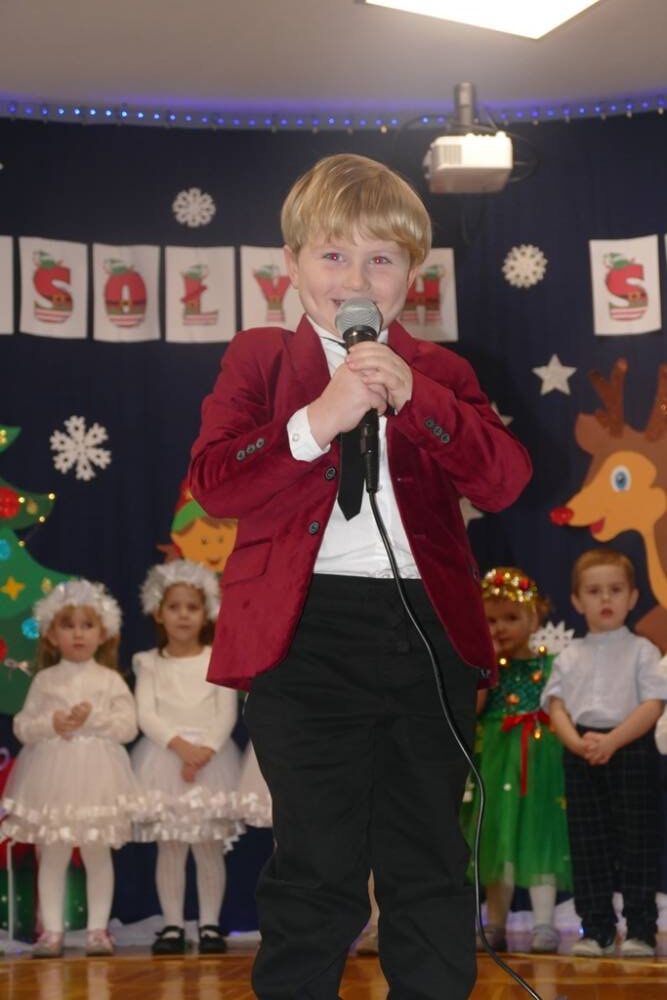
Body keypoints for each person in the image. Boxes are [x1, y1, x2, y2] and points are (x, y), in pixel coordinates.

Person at [188, 152, 532, 999]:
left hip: (425, 634)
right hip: (303, 635)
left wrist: (421, 399)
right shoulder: (260, 359)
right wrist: (317, 420)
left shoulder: (442, 371)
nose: (355, 278)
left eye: (380, 258)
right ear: (291, 265)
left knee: (427, 857)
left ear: (413, 275)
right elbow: (216, 484)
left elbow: (503, 481)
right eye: (333, 254)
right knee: (317, 862)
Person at [0, 579, 141, 958]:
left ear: (103, 633)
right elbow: (22, 726)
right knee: (53, 852)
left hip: (98, 778)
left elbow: (128, 727)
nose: (78, 634)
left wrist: (91, 719)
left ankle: (97, 930)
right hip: (52, 778)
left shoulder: (110, 680)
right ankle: (52, 931)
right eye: (68, 625)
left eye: (87, 625)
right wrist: (52, 723)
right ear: (51, 635)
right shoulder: (45, 680)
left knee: (97, 852)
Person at [542, 547, 667, 958]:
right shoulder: (568, 655)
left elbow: (653, 704)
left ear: (633, 597)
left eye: (615, 590)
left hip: (630, 749)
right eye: (594, 592)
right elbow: (556, 707)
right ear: (577, 601)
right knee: (587, 842)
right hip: (581, 752)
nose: (606, 599)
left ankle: (640, 930)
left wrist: (612, 741)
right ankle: (595, 929)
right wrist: (576, 742)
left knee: (638, 843)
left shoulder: (643, 651)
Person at [131, 559, 242, 955]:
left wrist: (204, 752)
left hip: (212, 762)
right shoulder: (149, 662)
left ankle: (209, 924)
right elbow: (146, 713)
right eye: (174, 606)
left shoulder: (218, 658)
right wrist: (182, 749)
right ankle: (173, 925)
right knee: (171, 845)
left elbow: (226, 713)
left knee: (209, 845)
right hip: (165, 757)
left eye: (192, 607)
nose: (183, 615)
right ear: (158, 612)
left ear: (206, 612)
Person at [461, 567, 571, 955]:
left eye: (511, 618)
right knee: (497, 836)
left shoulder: (550, 663)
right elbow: (472, 710)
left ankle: (544, 924)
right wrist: (485, 662)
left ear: (534, 618)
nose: (500, 628)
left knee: (540, 834)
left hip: (539, 761)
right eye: (491, 620)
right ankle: (495, 924)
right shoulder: (485, 666)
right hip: (494, 758)